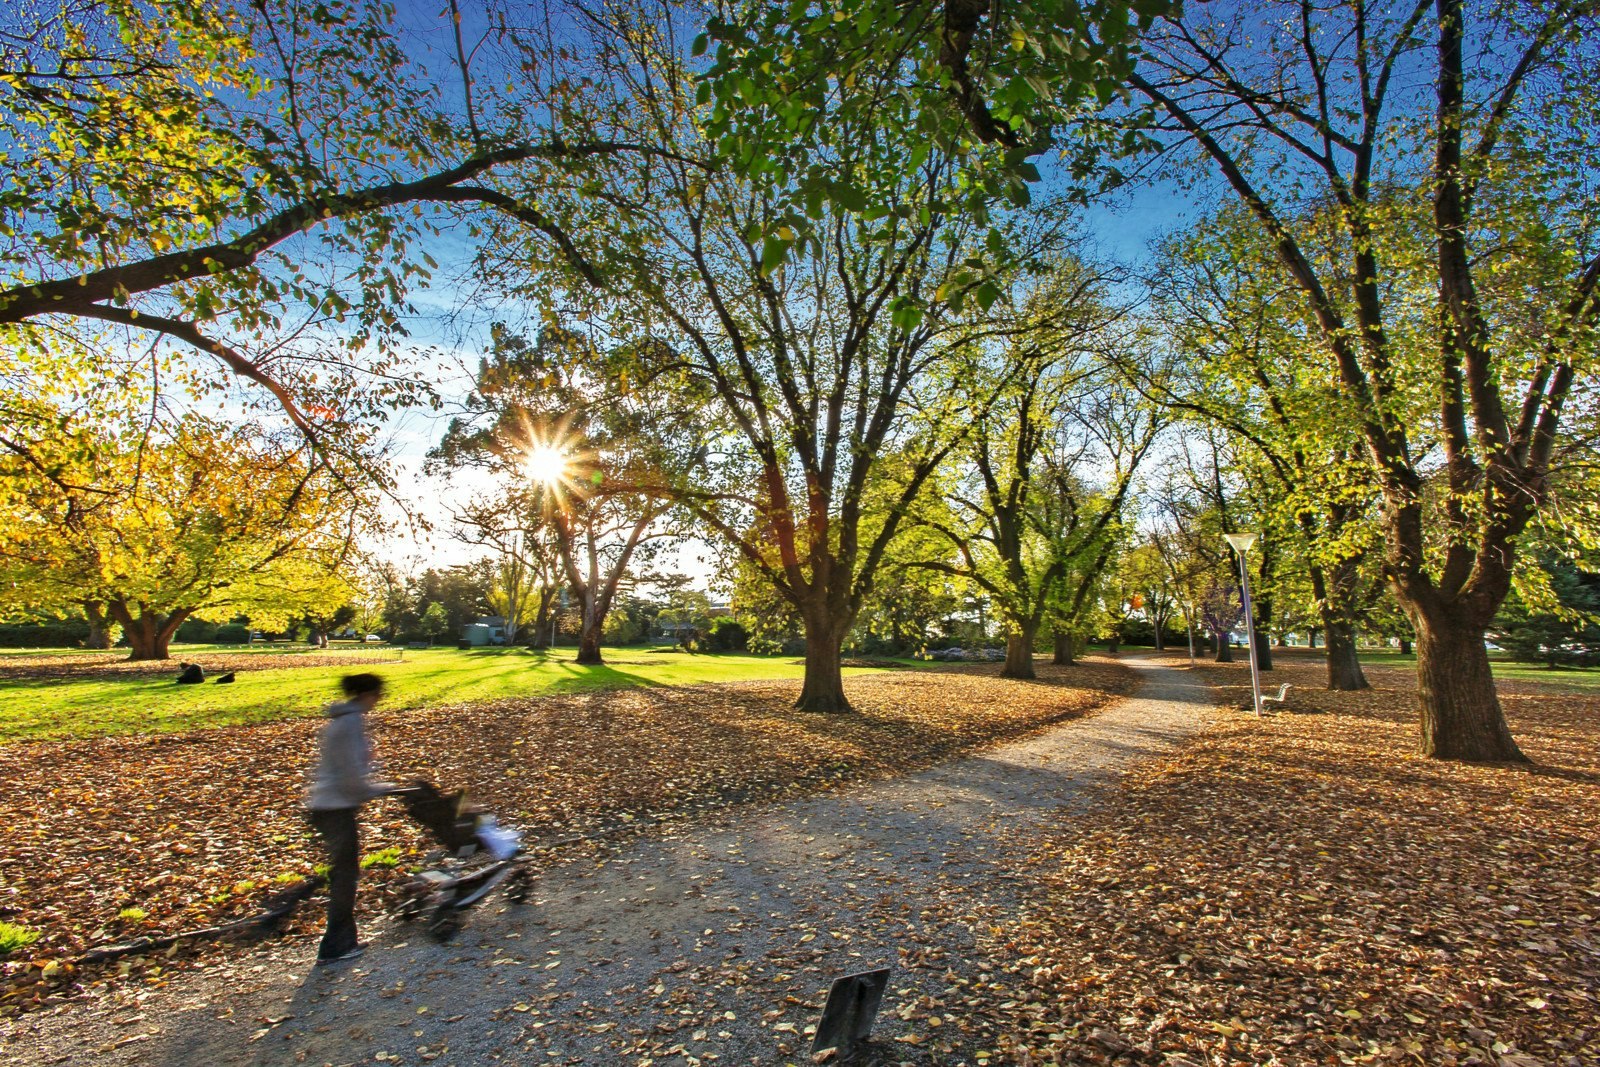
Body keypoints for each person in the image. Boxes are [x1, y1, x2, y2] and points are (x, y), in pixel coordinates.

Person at [306, 672, 391, 965]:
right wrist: (376, 789)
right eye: (378, 694)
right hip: (335, 807)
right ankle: (336, 946)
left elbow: (352, 765)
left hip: (327, 804)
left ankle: (342, 940)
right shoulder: (351, 722)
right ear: (366, 695)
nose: (379, 700)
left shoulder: (342, 719)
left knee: (342, 872)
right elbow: (351, 775)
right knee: (345, 877)